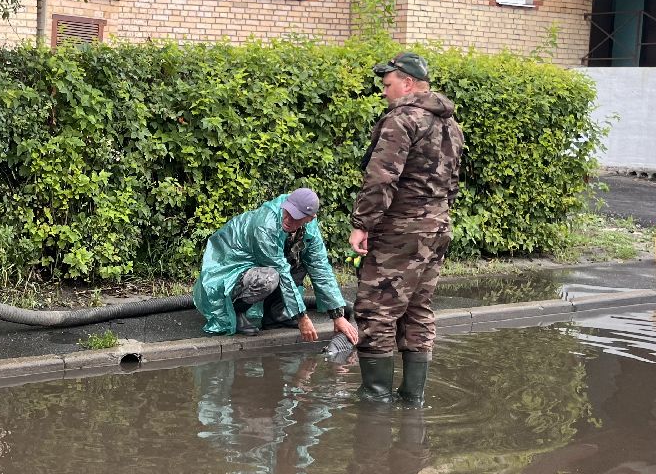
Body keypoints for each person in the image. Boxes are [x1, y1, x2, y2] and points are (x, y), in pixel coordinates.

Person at [348, 52, 464, 405]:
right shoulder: (451, 125)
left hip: (399, 230)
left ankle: (375, 396)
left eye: (388, 84)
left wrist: (362, 224)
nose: (385, 92)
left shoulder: (402, 120)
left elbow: (381, 178)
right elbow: (454, 182)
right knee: (417, 309)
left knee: (376, 310)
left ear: (408, 83)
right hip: (438, 228)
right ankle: (413, 398)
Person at [194, 188, 360, 347]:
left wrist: (338, 316)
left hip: (262, 265)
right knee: (268, 278)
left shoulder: (310, 228)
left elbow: (320, 266)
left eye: (295, 217)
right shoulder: (265, 224)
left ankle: (276, 314)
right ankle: (235, 311)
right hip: (228, 269)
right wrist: (302, 317)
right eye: (287, 212)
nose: (287, 219)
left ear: (310, 218)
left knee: (303, 262)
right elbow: (281, 270)